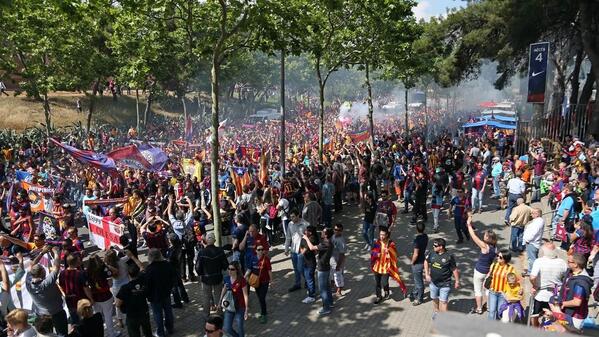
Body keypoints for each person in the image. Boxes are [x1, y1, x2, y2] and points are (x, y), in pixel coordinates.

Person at [25, 246, 68, 336]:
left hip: (42, 316)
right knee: (62, 334)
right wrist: (57, 253)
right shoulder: (47, 283)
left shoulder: (28, 283)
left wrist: (42, 253)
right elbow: (56, 267)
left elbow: (32, 265)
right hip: (57, 313)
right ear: (42, 273)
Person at [529, 242, 568, 327]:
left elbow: (532, 277)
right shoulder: (562, 262)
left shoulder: (539, 261)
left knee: (535, 315)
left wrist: (534, 285)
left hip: (541, 294)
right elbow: (567, 277)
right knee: (554, 318)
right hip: (555, 295)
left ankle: (535, 331)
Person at [465, 213, 497, 315]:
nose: (483, 235)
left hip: (479, 271)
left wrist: (469, 225)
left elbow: (473, 236)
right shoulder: (495, 248)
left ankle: (479, 308)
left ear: (488, 238)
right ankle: (488, 306)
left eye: (485, 235)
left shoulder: (484, 246)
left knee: (478, 290)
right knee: (487, 289)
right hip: (488, 272)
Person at [552, 253, 594, 330]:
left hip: (575, 316)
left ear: (575, 265)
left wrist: (562, 303)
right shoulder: (571, 272)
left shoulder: (581, 283)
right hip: (566, 311)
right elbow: (567, 285)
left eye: (569, 261)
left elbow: (577, 302)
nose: (567, 263)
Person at [115, 252, 152, 337]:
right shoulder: (143, 279)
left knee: (134, 334)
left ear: (129, 274)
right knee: (148, 332)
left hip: (132, 315)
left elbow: (117, 304)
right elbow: (142, 267)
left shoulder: (125, 288)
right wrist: (132, 257)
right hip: (144, 311)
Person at [196, 232, 229, 319]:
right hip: (217, 277)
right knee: (218, 295)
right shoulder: (220, 251)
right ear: (214, 240)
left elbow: (198, 267)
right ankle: (219, 313)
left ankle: (206, 315)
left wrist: (200, 274)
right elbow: (225, 265)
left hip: (206, 278)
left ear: (206, 241)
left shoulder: (202, 252)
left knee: (206, 296)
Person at [371, 226, 406, 304]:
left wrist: (389, 253)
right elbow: (373, 252)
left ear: (387, 235)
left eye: (383, 235)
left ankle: (386, 291)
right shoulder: (377, 242)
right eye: (380, 235)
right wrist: (377, 254)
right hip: (377, 266)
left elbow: (395, 254)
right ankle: (378, 296)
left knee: (385, 283)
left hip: (386, 267)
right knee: (377, 283)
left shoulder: (391, 243)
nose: (381, 236)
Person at [145, 249, 176, 337]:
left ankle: (160, 332)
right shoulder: (167, 265)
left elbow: (147, 285)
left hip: (154, 296)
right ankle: (170, 328)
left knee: (157, 314)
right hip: (166, 293)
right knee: (168, 311)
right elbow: (172, 277)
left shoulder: (149, 269)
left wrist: (148, 295)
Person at [424, 238, 459, 316]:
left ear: (441, 247)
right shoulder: (432, 253)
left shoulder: (449, 256)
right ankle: (437, 311)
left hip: (445, 283)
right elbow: (426, 261)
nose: (433, 246)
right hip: (433, 283)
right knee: (434, 298)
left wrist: (457, 281)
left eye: (435, 246)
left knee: (443, 302)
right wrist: (426, 274)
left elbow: (454, 269)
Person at [303, 227, 334, 315]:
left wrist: (306, 239)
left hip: (322, 269)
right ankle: (330, 303)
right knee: (327, 287)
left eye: (323, 232)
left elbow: (312, 247)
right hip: (326, 267)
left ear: (326, 235)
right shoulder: (328, 243)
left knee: (322, 289)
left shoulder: (326, 243)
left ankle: (326, 308)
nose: (321, 233)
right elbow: (318, 250)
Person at [219, 261, 249, 337]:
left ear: (237, 270)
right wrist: (220, 301)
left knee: (240, 327)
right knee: (227, 328)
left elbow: (245, 295)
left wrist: (246, 310)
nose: (229, 271)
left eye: (232, 269)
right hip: (229, 306)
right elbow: (224, 289)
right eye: (228, 269)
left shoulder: (242, 280)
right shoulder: (226, 278)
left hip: (240, 306)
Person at [486, 250, 516, 320]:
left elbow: (513, 282)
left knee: (500, 312)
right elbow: (489, 275)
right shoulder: (494, 265)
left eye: (500, 257)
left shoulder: (511, 269)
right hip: (493, 291)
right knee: (491, 311)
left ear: (505, 259)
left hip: (503, 294)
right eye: (497, 256)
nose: (497, 258)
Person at [245, 244, 271, 323]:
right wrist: (244, 276)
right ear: (255, 251)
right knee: (260, 298)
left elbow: (269, 271)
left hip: (264, 282)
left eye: (262, 249)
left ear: (263, 251)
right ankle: (264, 312)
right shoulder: (252, 258)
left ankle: (264, 314)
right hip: (256, 282)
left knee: (262, 298)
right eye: (258, 249)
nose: (260, 251)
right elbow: (249, 269)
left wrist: (271, 281)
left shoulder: (266, 259)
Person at [284, 209, 308, 293]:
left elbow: (309, 238)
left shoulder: (305, 224)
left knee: (301, 268)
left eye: (293, 216)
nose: (292, 219)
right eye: (290, 217)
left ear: (298, 215)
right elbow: (288, 237)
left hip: (302, 251)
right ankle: (297, 284)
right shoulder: (290, 224)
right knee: (296, 268)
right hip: (293, 250)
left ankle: (307, 281)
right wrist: (286, 248)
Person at [409, 221, 428, 306]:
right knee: (417, 280)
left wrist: (412, 262)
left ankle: (419, 298)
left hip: (417, 263)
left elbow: (416, 254)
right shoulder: (426, 236)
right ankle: (414, 293)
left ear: (416, 229)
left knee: (419, 282)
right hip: (423, 260)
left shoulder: (417, 240)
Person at [299, 225, 318, 304]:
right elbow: (301, 248)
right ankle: (311, 290)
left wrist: (306, 239)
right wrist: (302, 247)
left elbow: (304, 251)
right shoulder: (305, 239)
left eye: (307, 230)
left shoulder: (312, 239)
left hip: (310, 263)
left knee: (309, 278)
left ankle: (311, 296)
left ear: (310, 232)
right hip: (305, 261)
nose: (305, 231)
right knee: (307, 277)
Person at [522, 208, 545, 273]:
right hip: (533, 243)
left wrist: (527, 240)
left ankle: (531, 272)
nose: (531, 214)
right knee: (533, 258)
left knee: (531, 259)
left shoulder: (538, 222)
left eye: (532, 213)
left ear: (537, 214)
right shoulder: (538, 221)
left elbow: (533, 233)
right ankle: (533, 271)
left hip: (532, 243)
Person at [331, 223, 347, 296]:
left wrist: (339, 265)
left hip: (338, 261)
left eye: (339, 230)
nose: (336, 231)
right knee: (332, 275)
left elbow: (342, 254)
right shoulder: (333, 236)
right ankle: (333, 286)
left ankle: (339, 290)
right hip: (332, 260)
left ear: (341, 231)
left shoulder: (341, 241)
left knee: (339, 276)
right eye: (335, 229)